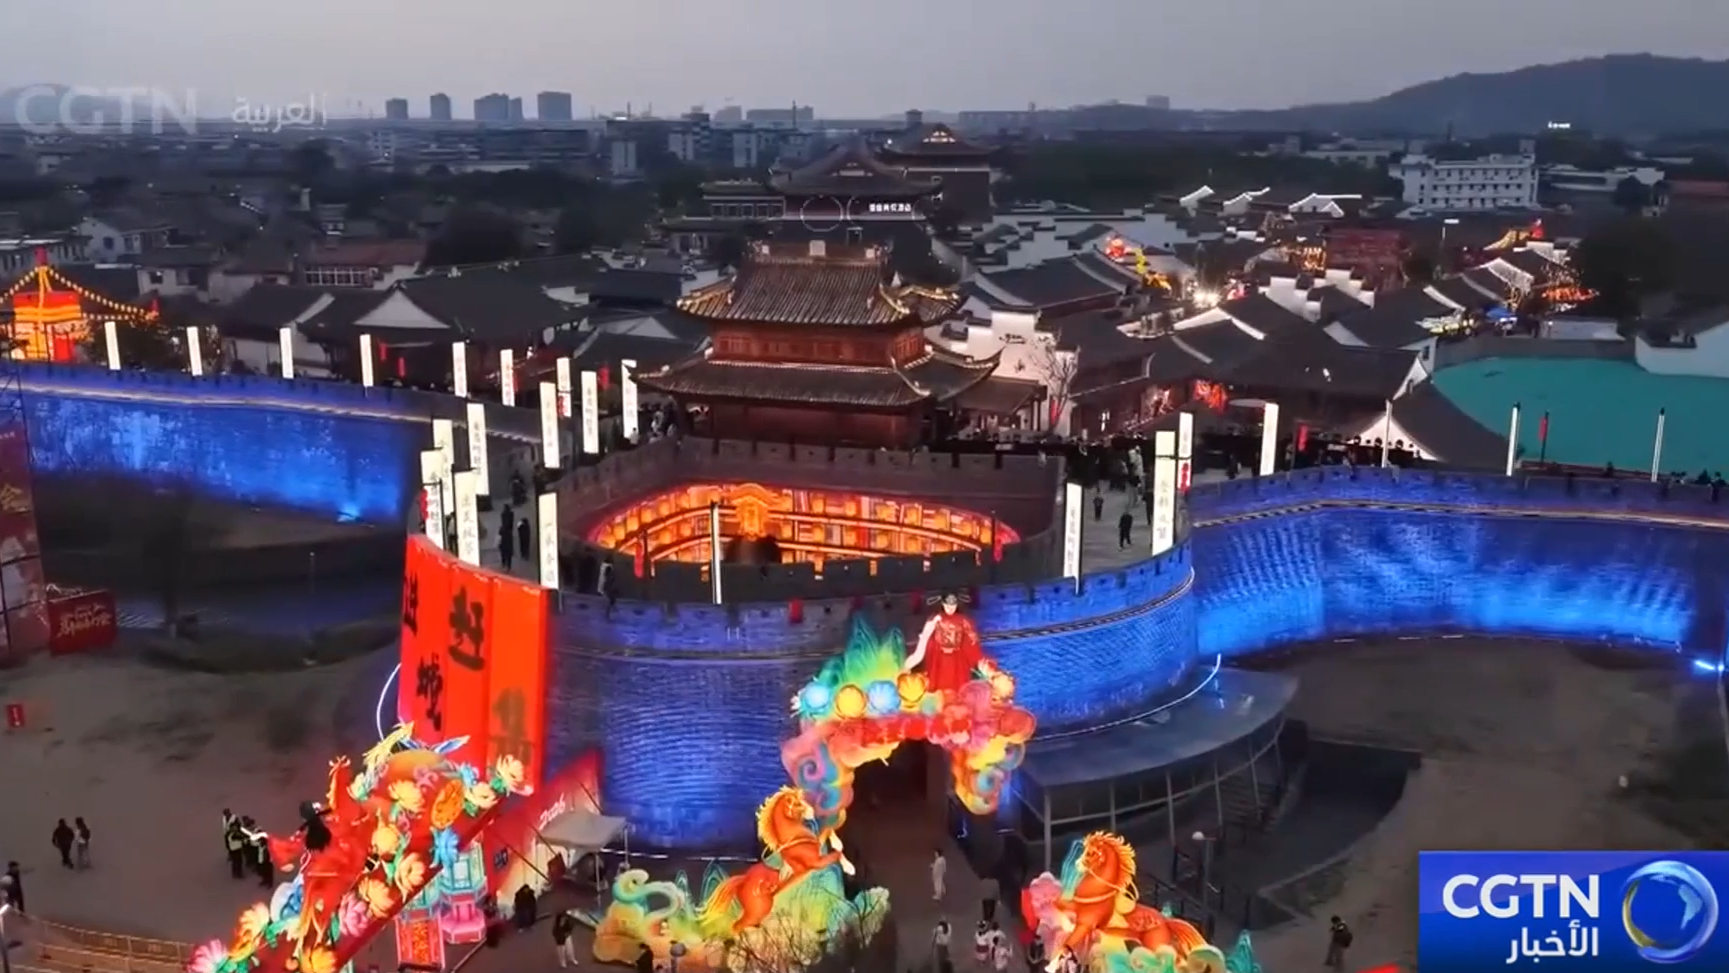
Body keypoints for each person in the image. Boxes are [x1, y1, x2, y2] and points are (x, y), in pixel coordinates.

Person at [905, 595, 990, 700]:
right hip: (939, 659)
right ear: (942, 604)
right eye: (947, 605)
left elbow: (972, 639)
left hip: (956, 659)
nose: (950, 608)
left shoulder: (964, 620)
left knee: (958, 688)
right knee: (939, 687)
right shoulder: (935, 619)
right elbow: (926, 637)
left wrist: (976, 658)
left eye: (953, 605)